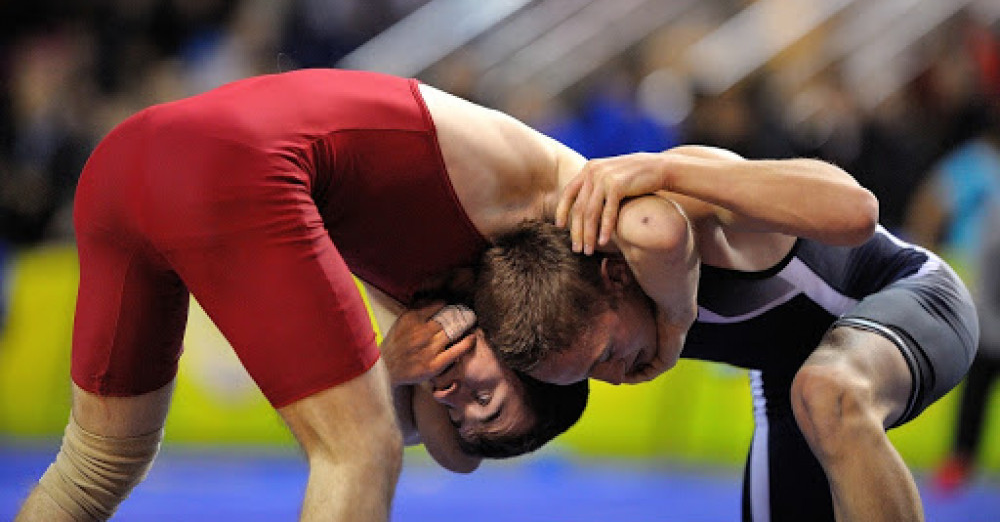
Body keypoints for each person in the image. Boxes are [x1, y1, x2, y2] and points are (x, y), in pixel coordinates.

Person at [14, 68, 590, 522]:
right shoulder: (552, 209)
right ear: (527, 345)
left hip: (122, 162)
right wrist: (667, 327)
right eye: (481, 397)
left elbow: (449, 449)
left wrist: (391, 373)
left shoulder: (435, 291)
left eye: (455, 413)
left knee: (96, 465)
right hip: (228, 167)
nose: (450, 395)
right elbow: (662, 213)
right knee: (361, 451)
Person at [474, 146, 979, 522]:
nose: (617, 377)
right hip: (792, 380)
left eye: (606, 353)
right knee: (816, 393)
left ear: (617, 276)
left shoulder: (678, 206)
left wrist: (670, 169)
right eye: (589, 374)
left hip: (916, 297)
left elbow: (858, 212)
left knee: (829, 393)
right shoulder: (539, 295)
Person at [904, 110, 1000, 492]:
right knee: (978, 375)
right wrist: (924, 260)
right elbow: (929, 206)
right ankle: (961, 458)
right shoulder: (973, 163)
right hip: (976, 281)